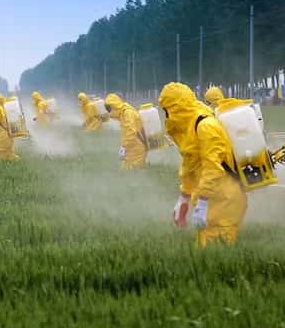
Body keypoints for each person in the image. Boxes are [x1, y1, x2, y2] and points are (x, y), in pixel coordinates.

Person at [158, 82, 247, 247]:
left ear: (175, 108)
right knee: (205, 248)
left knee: (216, 253)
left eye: (166, 109)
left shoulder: (205, 126)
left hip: (225, 199)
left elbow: (213, 168)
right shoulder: (190, 126)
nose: (165, 114)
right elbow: (190, 162)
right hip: (214, 197)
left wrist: (203, 201)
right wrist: (184, 197)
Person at [104, 93, 147, 169]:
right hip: (132, 147)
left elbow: (131, 132)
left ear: (114, 105)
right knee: (125, 170)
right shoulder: (122, 112)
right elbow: (114, 115)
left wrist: (123, 146)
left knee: (133, 171)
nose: (109, 111)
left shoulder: (127, 113)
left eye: (109, 108)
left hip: (137, 147)